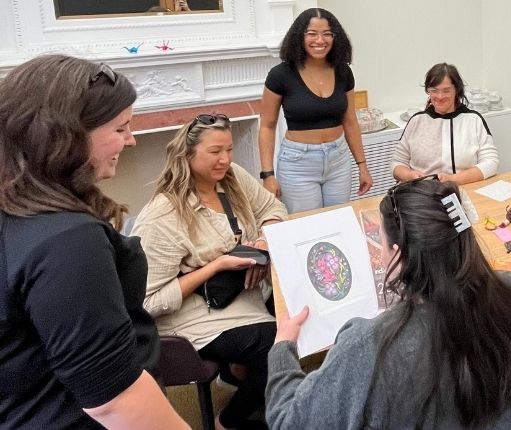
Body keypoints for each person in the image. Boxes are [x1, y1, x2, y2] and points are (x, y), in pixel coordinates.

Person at [266, 177, 511, 428]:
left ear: (399, 257)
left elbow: (288, 421)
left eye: (380, 244)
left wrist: (282, 349)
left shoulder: (371, 345)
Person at [0, 55, 188, 429]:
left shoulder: (16, 209)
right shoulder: (67, 241)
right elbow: (116, 402)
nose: (131, 140)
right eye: (121, 129)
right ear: (66, 134)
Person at [133, 114, 287, 430]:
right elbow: (148, 302)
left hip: (242, 294)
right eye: (215, 151)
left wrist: (262, 240)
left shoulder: (232, 178)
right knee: (277, 344)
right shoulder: (162, 216)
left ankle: (240, 375)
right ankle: (228, 421)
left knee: (296, 311)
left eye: (229, 149)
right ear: (187, 155)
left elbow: (272, 209)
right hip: (193, 315)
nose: (225, 159)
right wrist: (216, 266)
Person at [259, 7, 372, 213]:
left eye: (327, 34)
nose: (320, 40)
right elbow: (267, 126)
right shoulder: (280, 75)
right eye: (312, 33)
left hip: (338, 161)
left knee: (339, 222)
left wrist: (362, 166)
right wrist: (268, 175)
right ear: (299, 36)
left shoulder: (343, 71)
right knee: (306, 227)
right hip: (297, 165)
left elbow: (350, 121)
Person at [391, 63, 499, 185]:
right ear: (428, 91)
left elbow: (491, 163)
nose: (440, 96)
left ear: (457, 90)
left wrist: (453, 180)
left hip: (463, 189)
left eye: (446, 91)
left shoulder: (474, 120)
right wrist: (409, 176)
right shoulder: (416, 121)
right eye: (434, 91)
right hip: (422, 193)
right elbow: (397, 163)